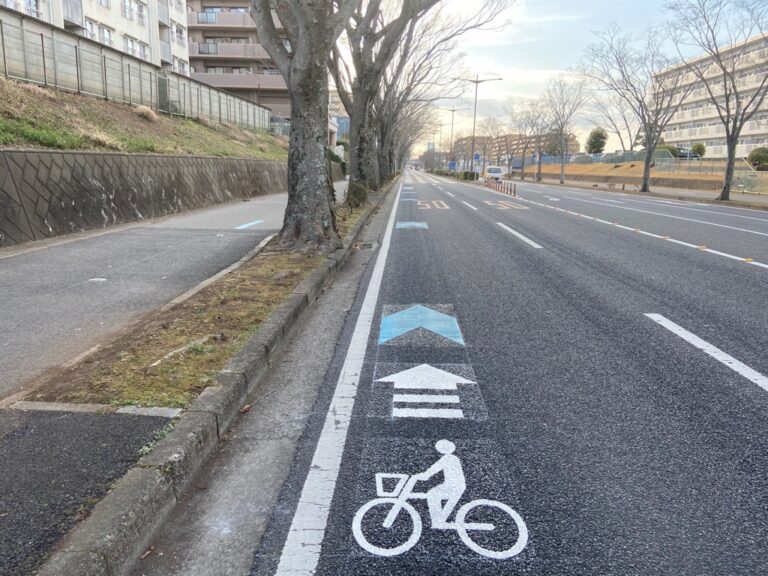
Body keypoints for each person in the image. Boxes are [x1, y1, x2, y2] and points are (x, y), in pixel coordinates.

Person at [412, 440, 466, 529]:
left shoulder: (448, 458)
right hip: (455, 485)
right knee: (438, 497)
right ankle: (440, 521)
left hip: (453, 485)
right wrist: (425, 475)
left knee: (432, 494)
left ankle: (438, 521)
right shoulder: (452, 458)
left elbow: (434, 469)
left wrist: (424, 475)